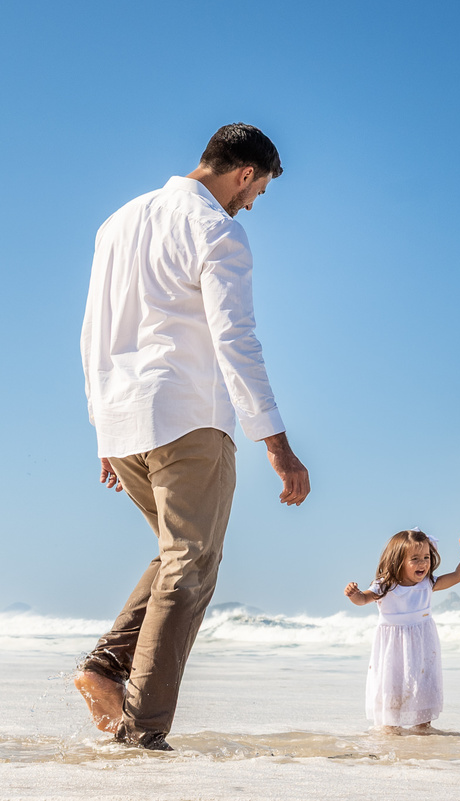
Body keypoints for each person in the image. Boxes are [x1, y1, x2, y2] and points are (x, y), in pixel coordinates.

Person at [76, 123, 310, 751]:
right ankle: (142, 727)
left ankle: (104, 668)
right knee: (192, 564)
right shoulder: (217, 229)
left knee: (180, 551)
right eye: (257, 190)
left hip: (124, 422)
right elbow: (236, 339)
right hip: (187, 417)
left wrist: (104, 425)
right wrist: (277, 443)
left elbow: (93, 328)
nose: (252, 203)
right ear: (243, 173)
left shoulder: (117, 221)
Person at [345, 530, 460, 732]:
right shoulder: (385, 586)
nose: (423, 563)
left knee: (422, 686)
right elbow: (363, 599)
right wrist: (354, 594)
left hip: (423, 646)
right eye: (415, 559)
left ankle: (422, 730)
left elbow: (458, 576)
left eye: (426, 557)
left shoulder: (427, 584)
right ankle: (390, 730)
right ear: (398, 561)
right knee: (392, 687)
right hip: (392, 649)